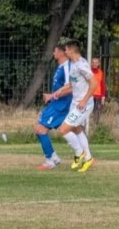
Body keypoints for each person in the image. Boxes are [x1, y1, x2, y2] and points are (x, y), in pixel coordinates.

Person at [55, 40, 96, 172]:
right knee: (76, 129)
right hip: (75, 102)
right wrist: (58, 92)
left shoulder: (82, 65)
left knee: (63, 129)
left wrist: (84, 100)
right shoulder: (73, 64)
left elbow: (94, 83)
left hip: (83, 104)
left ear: (71, 50)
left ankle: (79, 153)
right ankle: (88, 158)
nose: (65, 52)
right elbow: (72, 85)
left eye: (66, 50)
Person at [34, 45, 72, 170]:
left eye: (55, 51)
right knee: (38, 129)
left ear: (61, 53)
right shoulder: (60, 67)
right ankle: (53, 156)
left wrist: (52, 95)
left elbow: (70, 87)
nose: (53, 53)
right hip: (56, 104)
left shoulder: (67, 67)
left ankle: (50, 160)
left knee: (41, 129)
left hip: (61, 105)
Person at [90, 58, 106, 127]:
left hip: (98, 95)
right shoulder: (88, 71)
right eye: (93, 62)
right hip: (89, 95)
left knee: (97, 111)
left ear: (99, 64)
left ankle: (95, 124)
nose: (95, 64)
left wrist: (103, 96)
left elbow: (102, 85)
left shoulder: (100, 72)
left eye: (96, 62)